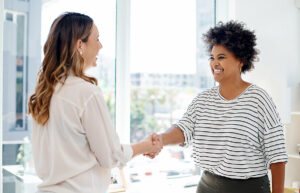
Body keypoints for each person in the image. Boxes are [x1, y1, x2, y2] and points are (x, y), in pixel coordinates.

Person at [147, 21, 288, 193]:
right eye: (212, 58)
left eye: (221, 57)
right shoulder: (203, 100)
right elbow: (183, 129)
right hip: (207, 186)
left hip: (249, 188)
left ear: (240, 60)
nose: (214, 63)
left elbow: (277, 155)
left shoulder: (259, 99)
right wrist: (161, 139)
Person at [28, 12, 162, 193]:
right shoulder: (85, 93)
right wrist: (146, 145)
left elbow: (71, 154)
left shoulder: (44, 92)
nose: (100, 46)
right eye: (97, 39)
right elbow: (112, 155)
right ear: (79, 45)